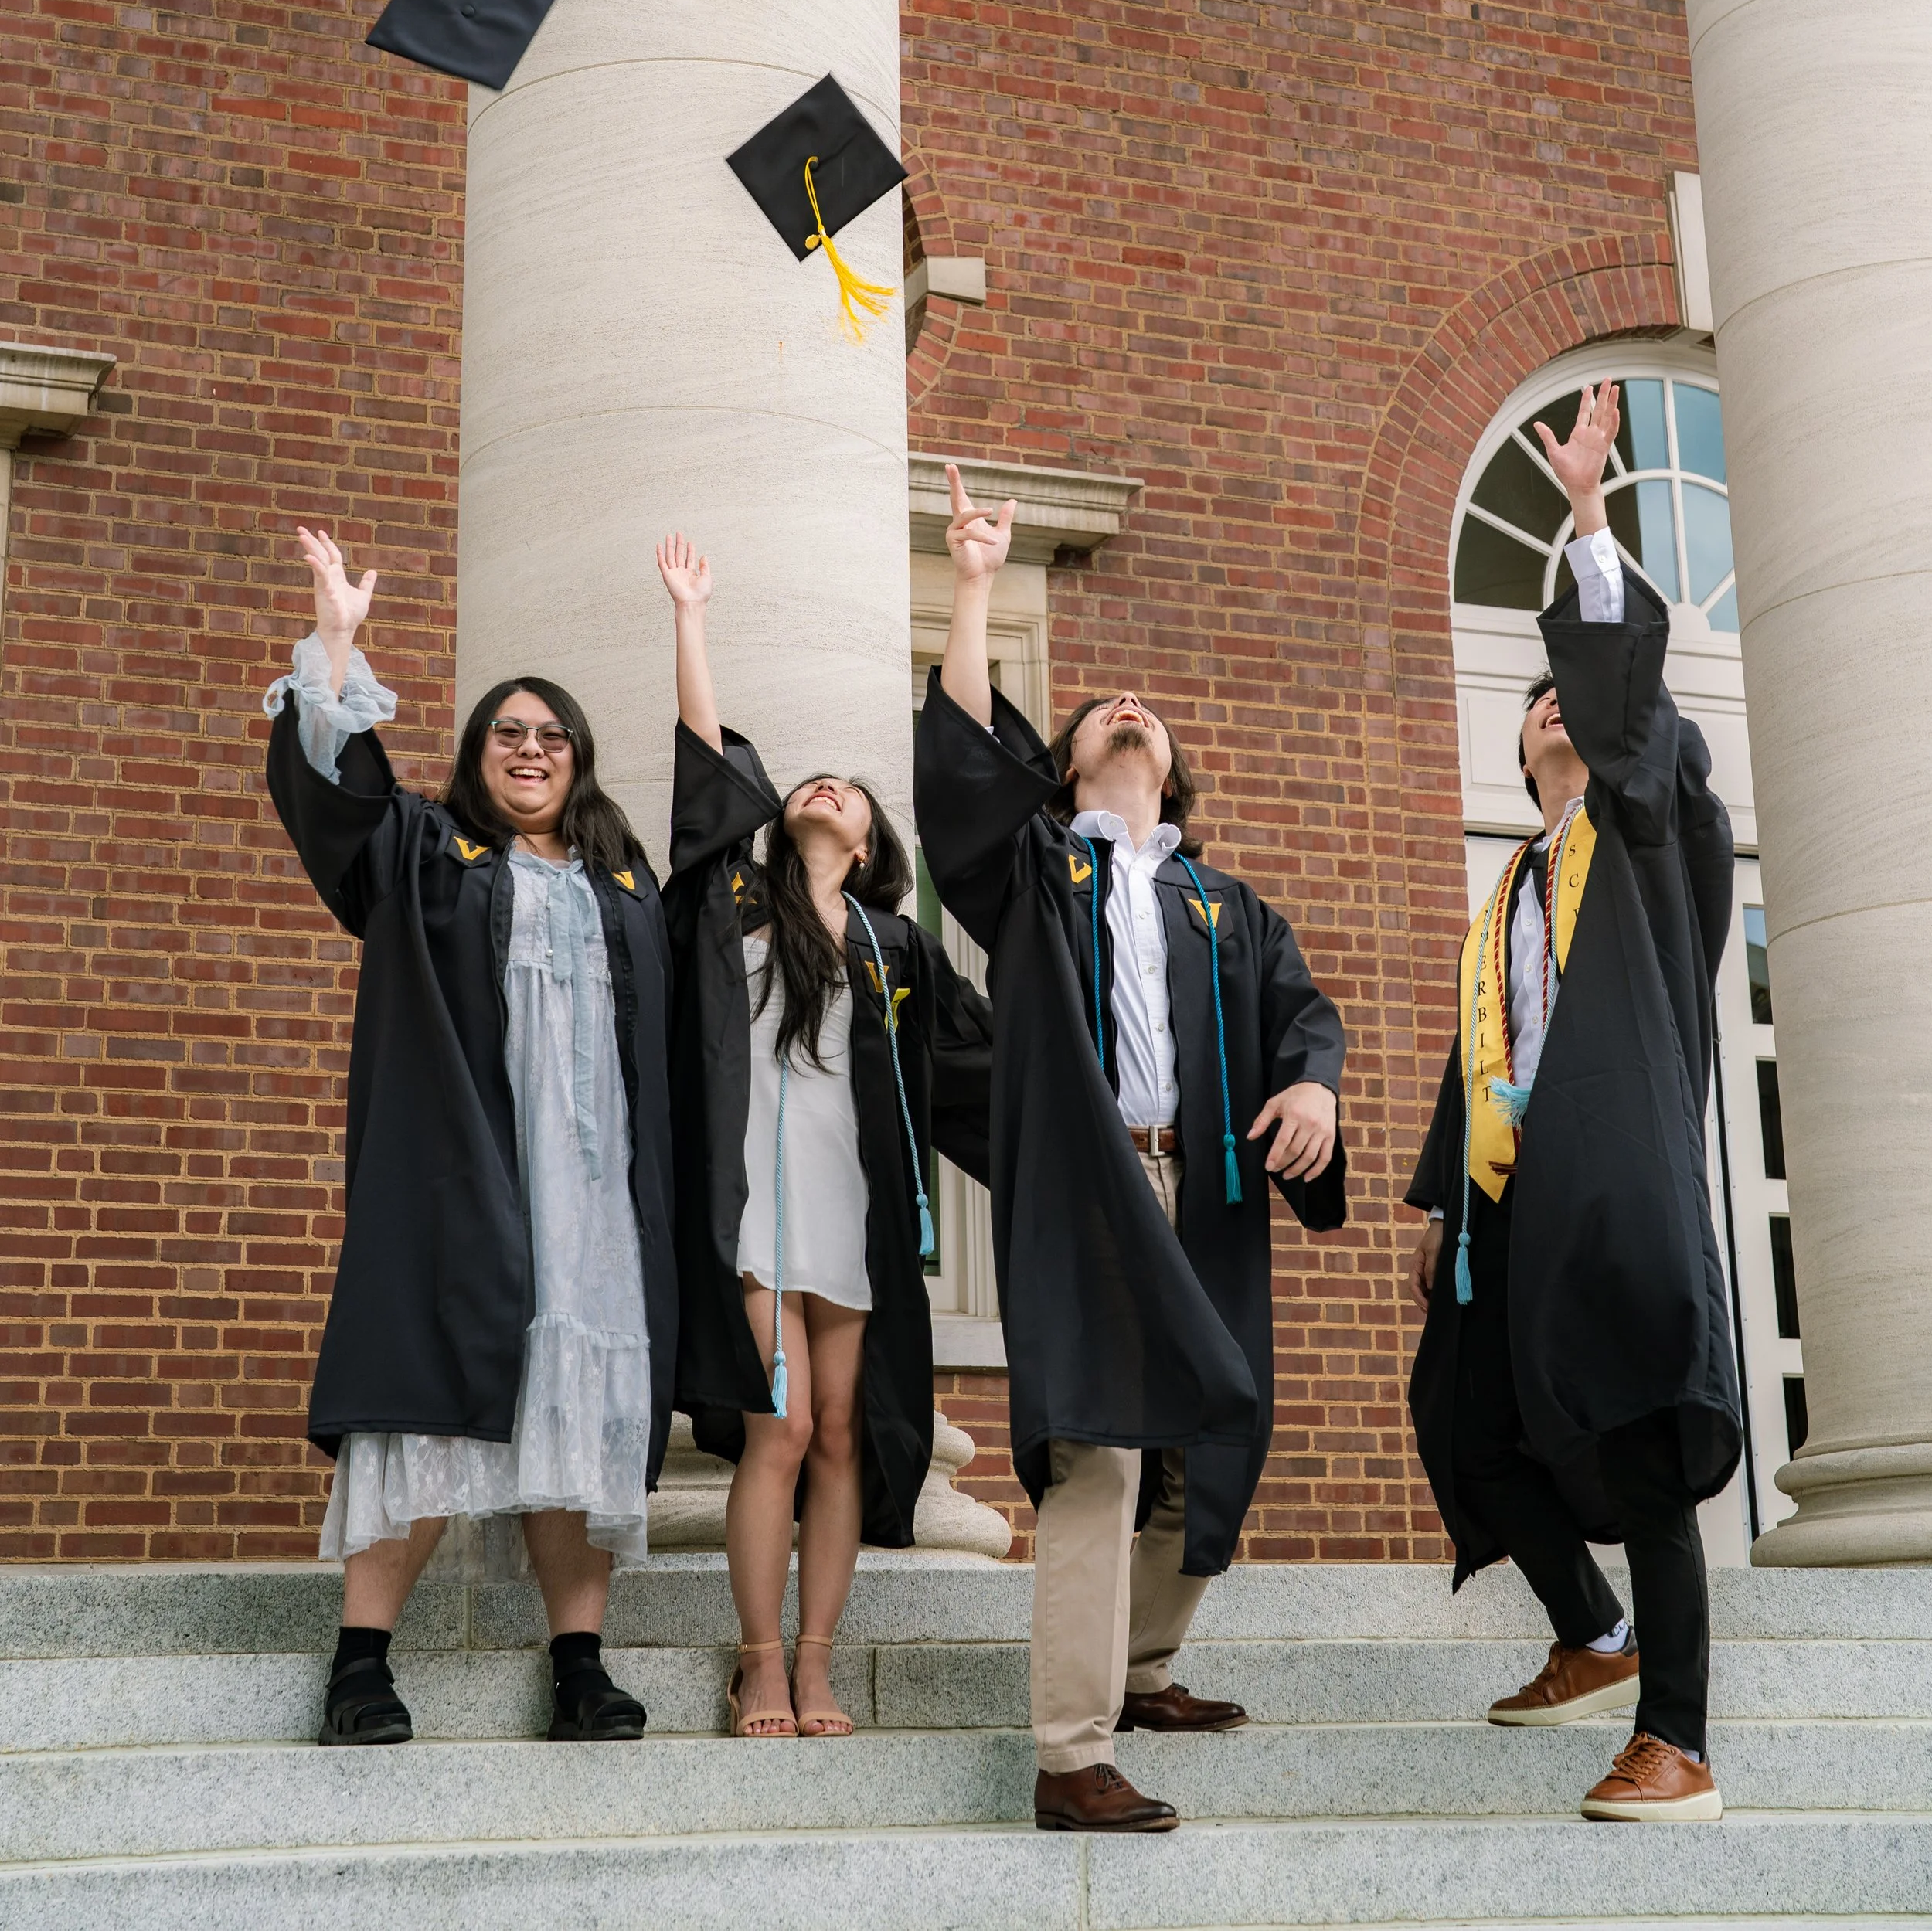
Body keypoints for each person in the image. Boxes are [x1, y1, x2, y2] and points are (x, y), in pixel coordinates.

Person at [914, 465, 1347, 1835]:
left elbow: (1305, 1018)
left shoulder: (1227, 904)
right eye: (1102, 708)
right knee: (1097, 1447)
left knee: (1214, 1436)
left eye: (1146, 712)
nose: (1130, 707)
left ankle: (1147, 1664)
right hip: (1097, 1196)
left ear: (1174, 771)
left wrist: (1317, 1089)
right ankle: (1068, 1748)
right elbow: (964, 792)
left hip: (1204, 1187)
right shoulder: (1046, 870)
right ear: (1072, 760)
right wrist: (975, 586)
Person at [263, 528, 677, 1746]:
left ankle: (580, 1665)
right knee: (430, 1392)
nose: (531, 749)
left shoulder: (625, 886)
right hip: (467, 1169)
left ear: (579, 762)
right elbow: (339, 808)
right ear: (477, 755)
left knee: (578, 1406)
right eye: (508, 732)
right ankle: (359, 1666)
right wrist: (336, 647)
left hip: (597, 1195)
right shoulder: (429, 852)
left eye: (552, 736)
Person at [1406, 382, 1741, 1824]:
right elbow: (1477, 1056)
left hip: (1620, 1179)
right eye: (1536, 700)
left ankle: (1679, 1736)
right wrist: (1436, 1201)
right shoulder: (1507, 896)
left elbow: (1637, 716)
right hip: (1517, 1201)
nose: (1555, 705)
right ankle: (1592, 1633)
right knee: (1463, 1413)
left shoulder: (1645, 827)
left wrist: (1593, 521)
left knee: (1645, 1436)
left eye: (1575, 699)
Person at [654, 532, 992, 1742]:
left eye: (849, 791)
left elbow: (979, 1068)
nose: (826, 787)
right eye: (813, 783)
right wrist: (692, 618)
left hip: (848, 1209)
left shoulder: (894, 946)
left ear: (870, 845)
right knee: (779, 1424)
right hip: (752, 1203)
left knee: (844, 1428)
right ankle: (755, 1661)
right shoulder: (731, 906)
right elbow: (706, 771)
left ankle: (815, 1661)